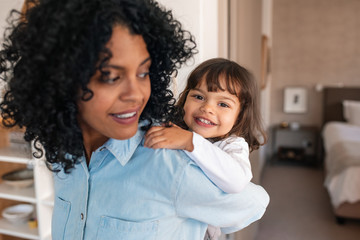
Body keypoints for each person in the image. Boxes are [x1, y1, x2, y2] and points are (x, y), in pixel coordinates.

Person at [0, 0, 269, 239]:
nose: (136, 94)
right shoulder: (63, 153)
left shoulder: (170, 164)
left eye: (143, 73)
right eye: (111, 76)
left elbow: (254, 201)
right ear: (59, 81)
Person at [144, 58, 267, 239]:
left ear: (240, 116)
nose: (207, 108)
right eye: (198, 97)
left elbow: (237, 182)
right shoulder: (176, 129)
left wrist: (190, 141)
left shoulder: (232, 145)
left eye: (223, 104)